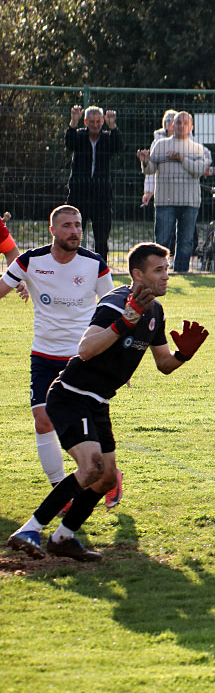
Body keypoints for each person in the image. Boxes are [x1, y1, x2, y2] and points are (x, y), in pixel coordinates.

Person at [7, 242, 209, 562]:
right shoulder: (116, 303)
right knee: (91, 468)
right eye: (158, 270)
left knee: (106, 479)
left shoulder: (155, 311)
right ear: (138, 275)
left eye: (167, 269)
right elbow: (85, 349)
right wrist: (123, 323)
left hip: (98, 402)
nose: (166, 276)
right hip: (71, 396)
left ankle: (63, 538)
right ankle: (30, 530)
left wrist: (183, 354)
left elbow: (164, 364)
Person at [0, 205, 117, 503]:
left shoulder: (94, 263)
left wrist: (116, 357)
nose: (74, 231)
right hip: (43, 355)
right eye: (67, 226)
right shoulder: (31, 261)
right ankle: (61, 491)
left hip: (83, 356)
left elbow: (111, 311)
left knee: (84, 425)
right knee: (43, 420)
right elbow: (2, 287)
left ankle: (109, 474)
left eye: (78, 225)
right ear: (52, 230)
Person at [137, 111, 211, 273]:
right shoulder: (160, 145)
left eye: (185, 123)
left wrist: (182, 159)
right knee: (162, 241)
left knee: (185, 242)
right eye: (178, 123)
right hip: (165, 201)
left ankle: (181, 273)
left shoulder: (197, 148)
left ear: (191, 127)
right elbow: (150, 170)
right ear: (172, 125)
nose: (181, 126)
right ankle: (158, 272)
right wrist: (145, 162)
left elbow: (199, 170)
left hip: (189, 202)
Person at [64, 104, 123, 263]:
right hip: (79, 194)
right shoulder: (80, 136)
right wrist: (73, 122)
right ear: (85, 122)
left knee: (102, 238)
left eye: (98, 121)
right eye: (92, 122)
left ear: (103, 121)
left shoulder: (107, 138)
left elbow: (118, 146)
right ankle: (70, 265)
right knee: (73, 235)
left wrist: (113, 126)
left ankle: (101, 270)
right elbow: (69, 143)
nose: (95, 125)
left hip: (101, 196)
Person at [140, 109, 178, 208]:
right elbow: (151, 168)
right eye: (168, 121)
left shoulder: (187, 141)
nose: (170, 123)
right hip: (162, 191)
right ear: (164, 124)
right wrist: (148, 191)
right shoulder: (157, 142)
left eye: (174, 121)